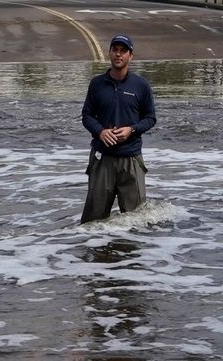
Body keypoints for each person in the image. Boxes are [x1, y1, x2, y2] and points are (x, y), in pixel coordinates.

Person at [80, 35, 156, 224]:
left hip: (130, 159)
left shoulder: (141, 86)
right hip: (102, 159)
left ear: (131, 56)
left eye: (123, 50)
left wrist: (131, 129)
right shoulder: (97, 84)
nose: (118, 54)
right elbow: (87, 116)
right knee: (92, 223)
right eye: (115, 50)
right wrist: (100, 131)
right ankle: (98, 253)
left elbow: (150, 118)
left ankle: (129, 253)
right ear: (110, 53)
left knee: (137, 221)